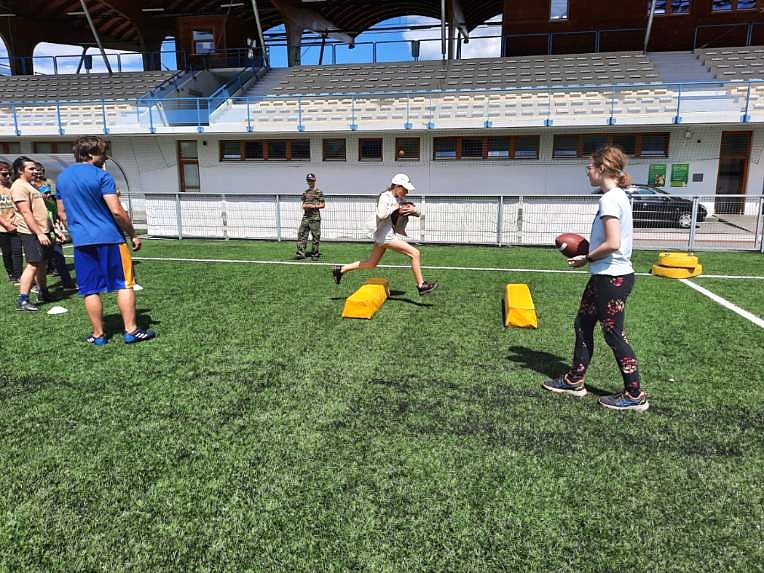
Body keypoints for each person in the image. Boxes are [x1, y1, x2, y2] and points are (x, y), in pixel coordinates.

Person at [542, 145, 648, 412]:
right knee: (583, 323)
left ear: (602, 168)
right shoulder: (618, 196)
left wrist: (586, 257)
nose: (587, 172)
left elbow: (613, 243)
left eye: (589, 167)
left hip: (612, 278)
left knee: (614, 335)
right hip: (606, 275)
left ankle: (634, 394)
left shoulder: (610, 199)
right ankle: (574, 380)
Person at [56, 135, 155, 345]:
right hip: (110, 238)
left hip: (82, 241)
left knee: (90, 289)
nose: (105, 157)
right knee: (124, 284)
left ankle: (98, 334)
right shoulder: (102, 176)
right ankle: (131, 330)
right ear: (90, 154)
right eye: (102, 152)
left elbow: (62, 213)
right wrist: (133, 234)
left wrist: (79, 229)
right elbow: (117, 211)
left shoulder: (62, 178)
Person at [331, 173, 438, 296]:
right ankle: (421, 285)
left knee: (371, 263)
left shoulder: (399, 198)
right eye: (405, 189)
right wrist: (395, 207)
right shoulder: (385, 197)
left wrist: (414, 210)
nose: (407, 192)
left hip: (383, 236)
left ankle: (341, 269)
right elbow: (381, 214)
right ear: (397, 186)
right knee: (415, 253)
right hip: (385, 237)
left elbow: (418, 213)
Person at [11, 156, 53, 311]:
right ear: (20, 170)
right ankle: (23, 300)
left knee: (42, 263)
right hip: (31, 232)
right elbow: (25, 212)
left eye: (36, 168)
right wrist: (39, 233)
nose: (35, 171)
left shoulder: (30, 185)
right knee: (33, 264)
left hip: (41, 230)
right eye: (31, 169)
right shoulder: (19, 186)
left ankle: (43, 292)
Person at [0, 161, 23, 285]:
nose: (8, 176)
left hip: (16, 225)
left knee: (17, 251)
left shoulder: (13, 187)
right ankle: (11, 274)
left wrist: (15, 220)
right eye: (4, 174)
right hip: (2, 227)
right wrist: (6, 224)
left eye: (9, 173)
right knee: (7, 252)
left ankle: (19, 275)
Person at [294, 173, 324, 260]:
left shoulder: (319, 192)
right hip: (306, 217)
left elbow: (323, 205)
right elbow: (303, 203)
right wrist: (304, 206)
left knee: (315, 236)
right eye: (308, 180)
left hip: (315, 217)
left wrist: (313, 206)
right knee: (302, 234)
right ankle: (301, 253)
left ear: (314, 181)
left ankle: (315, 255)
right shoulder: (305, 192)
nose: (310, 182)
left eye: (311, 180)